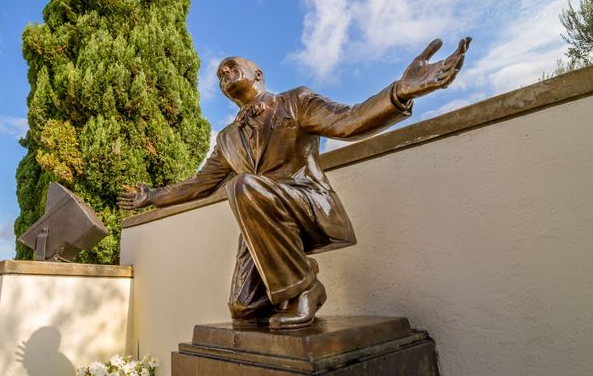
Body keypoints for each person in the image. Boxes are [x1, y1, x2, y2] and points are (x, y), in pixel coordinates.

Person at [119, 37, 471, 330]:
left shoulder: (295, 100)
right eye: (219, 74)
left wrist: (400, 91)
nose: (224, 73)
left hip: (307, 203)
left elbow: (349, 121)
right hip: (263, 219)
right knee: (243, 309)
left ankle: (305, 288)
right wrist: (152, 196)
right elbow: (198, 184)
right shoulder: (226, 139)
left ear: (258, 74)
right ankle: (294, 283)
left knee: (241, 185)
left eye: (231, 66)